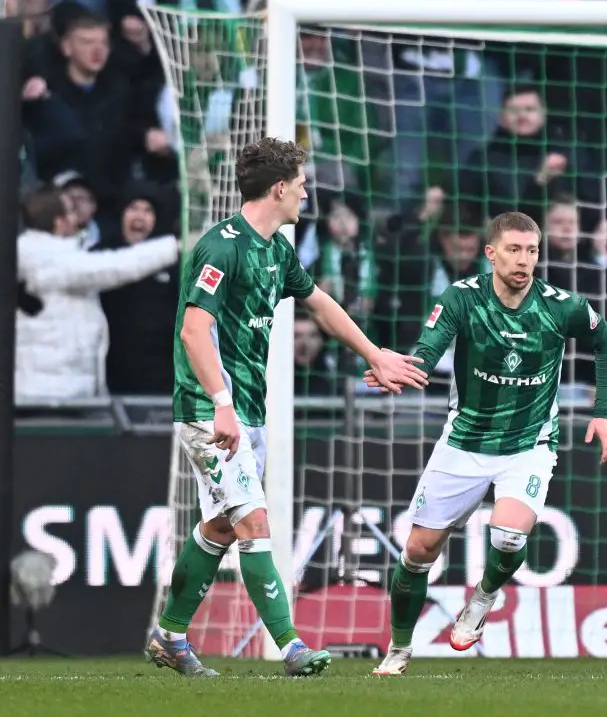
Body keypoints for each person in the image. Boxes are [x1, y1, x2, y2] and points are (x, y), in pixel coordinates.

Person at [146, 138, 428, 678]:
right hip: (211, 410)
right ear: (279, 188)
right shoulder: (220, 248)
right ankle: (292, 646)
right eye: (300, 185)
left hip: (248, 408)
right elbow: (193, 330)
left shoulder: (275, 250)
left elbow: (318, 303)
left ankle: (170, 634)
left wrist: (375, 354)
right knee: (253, 520)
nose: (305, 194)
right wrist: (221, 404)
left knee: (222, 528)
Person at [367, 211, 607, 676]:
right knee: (419, 551)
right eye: (514, 250)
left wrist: (603, 414)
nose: (524, 260)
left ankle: (481, 600)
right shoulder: (463, 298)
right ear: (491, 253)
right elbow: (430, 346)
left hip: (529, 443)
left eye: (532, 250)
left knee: (508, 533)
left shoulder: (560, 305)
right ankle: (399, 649)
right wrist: (403, 368)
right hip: (464, 440)